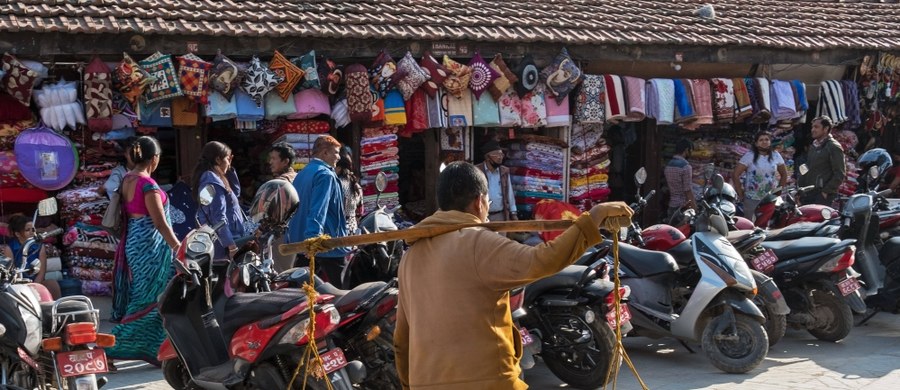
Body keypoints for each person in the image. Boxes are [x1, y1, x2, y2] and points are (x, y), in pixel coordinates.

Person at [393, 161, 633, 389]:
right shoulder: (479, 241)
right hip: (486, 381)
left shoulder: (410, 257)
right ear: (479, 202)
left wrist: (410, 384)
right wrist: (593, 218)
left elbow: (402, 339)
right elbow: (543, 260)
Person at [106, 136, 180, 366]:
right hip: (149, 248)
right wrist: (178, 246)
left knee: (149, 298)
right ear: (154, 158)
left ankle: (155, 348)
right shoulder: (147, 184)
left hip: (134, 244)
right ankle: (109, 346)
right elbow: (160, 223)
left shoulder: (127, 179)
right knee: (149, 301)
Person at [287, 135, 349, 284]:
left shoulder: (302, 174)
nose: (338, 157)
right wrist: (313, 240)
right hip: (325, 245)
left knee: (300, 291)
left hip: (301, 243)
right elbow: (318, 209)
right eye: (336, 152)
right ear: (324, 153)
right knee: (340, 293)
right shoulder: (325, 174)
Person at [192, 141, 247, 260]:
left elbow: (235, 194)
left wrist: (230, 168)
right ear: (218, 159)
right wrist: (231, 247)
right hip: (224, 244)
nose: (228, 163)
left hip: (229, 238)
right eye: (227, 159)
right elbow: (218, 218)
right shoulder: (211, 181)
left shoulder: (216, 178)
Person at [1, 214, 61, 298]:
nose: (32, 232)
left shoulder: (40, 246)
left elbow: (41, 273)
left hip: (36, 283)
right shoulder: (9, 248)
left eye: (33, 229)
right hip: (17, 286)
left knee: (52, 284)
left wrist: (34, 286)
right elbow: (11, 274)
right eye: (27, 230)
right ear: (18, 234)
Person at [733, 131, 788, 220]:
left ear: (770, 142)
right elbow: (735, 174)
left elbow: (784, 174)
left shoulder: (775, 155)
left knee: (768, 224)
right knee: (750, 225)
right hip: (752, 197)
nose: (764, 142)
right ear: (756, 143)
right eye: (761, 140)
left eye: (767, 139)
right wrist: (740, 193)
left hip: (770, 198)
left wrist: (778, 191)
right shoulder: (750, 155)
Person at [798, 116, 846, 206]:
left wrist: (825, 192)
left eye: (816, 127)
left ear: (826, 129)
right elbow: (807, 168)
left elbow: (839, 173)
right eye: (812, 127)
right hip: (808, 193)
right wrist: (800, 188)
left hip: (822, 196)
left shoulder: (833, 147)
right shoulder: (814, 146)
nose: (813, 130)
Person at [478, 140, 518, 221]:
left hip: (500, 215)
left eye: (501, 154)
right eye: (496, 154)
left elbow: (509, 193)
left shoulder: (504, 171)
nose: (500, 157)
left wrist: (513, 213)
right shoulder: (477, 171)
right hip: (482, 216)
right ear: (487, 157)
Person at [664, 139, 696, 220]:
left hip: (671, 205)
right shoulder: (686, 167)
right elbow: (688, 190)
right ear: (686, 150)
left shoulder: (668, 165)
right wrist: (694, 208)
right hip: (682, 208)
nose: (691, 153)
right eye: (690, 150)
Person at [336, 146, 363, 234]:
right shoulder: (356, 184)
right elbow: (360, 212)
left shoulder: (337, 184)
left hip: (339, 229)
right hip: (353, 228)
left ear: (339, 168)